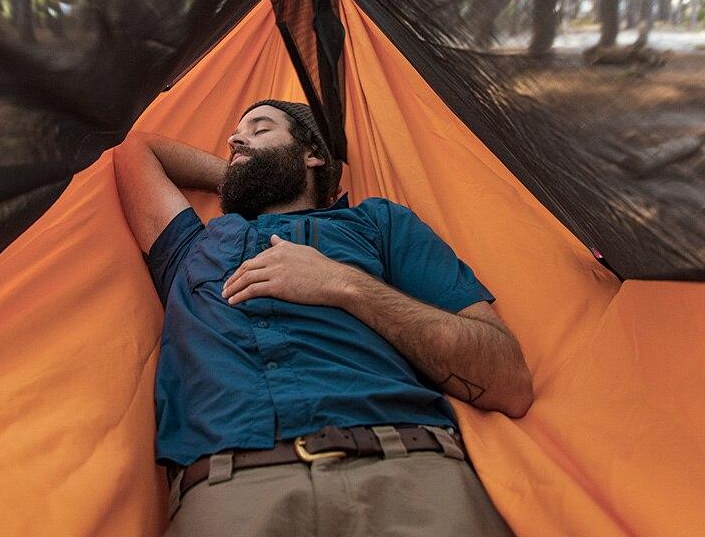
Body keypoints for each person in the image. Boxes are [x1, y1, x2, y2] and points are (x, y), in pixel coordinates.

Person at [113, 99, 533, 537]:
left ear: (312, 154)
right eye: (236, 137)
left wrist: (343, 284)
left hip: (408, 470)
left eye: (259, 130)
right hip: (234, 489)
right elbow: (135, 149)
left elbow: (508, 380)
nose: (237, 139)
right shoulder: (191, 248)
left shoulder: (377, 224)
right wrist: (249, 174)